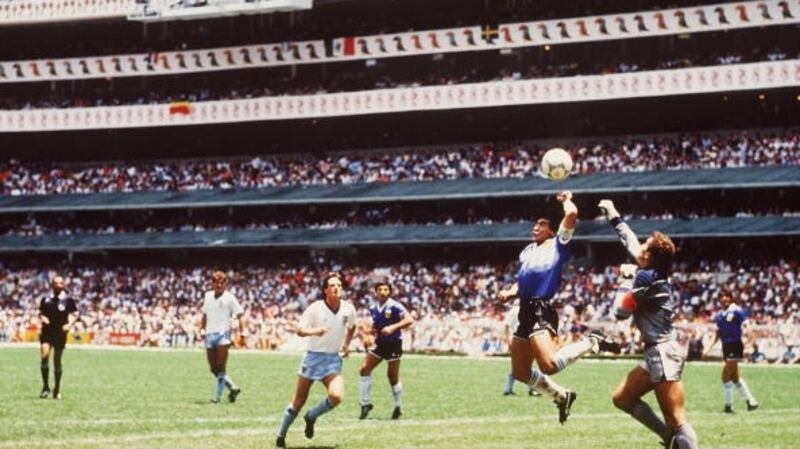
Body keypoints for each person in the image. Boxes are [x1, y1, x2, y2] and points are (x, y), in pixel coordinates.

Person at [498, 191, 620, 424]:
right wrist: (510, 292)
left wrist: (566, 201)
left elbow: (572, 213)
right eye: (535, 224)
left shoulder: (558, 244)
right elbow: (523, 280)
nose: (535, 227)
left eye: (542, 225)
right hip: (524, 309)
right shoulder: (527, 251)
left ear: (552, 231)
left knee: (549, 365)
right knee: (521, 373)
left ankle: (591, 342)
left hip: (540, 309)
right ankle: (562, 396)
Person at [598, 199, 699, 449]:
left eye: (646, 245)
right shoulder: (652, 272)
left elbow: (620, 312)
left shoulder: (645, 278)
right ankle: (671, 441)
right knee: (622, 398)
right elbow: (630, 241)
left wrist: (625, 279)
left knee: (676, 418)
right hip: (657, 351)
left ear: (650, 256)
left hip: (663, 352)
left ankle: (677, 439)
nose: (640, 246)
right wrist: (613, 214)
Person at [275, 272, 357, 449]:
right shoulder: (315, 308)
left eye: (339, 285)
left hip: (333, 359)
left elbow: (352, 326)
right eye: (332, 285)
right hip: (313, 357)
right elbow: (299, 330)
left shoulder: (348, 309)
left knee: (336, 396)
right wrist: (315, 331)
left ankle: (311, 416)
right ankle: (281, 436)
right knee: (299, 400)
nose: (336, 288)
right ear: (325, 290)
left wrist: (346, 345)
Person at [358, 280, 414, 420]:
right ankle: (365, 404)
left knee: (392, 377)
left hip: (394, 343)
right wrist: (369, 333)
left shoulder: (395, 306)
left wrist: (393, 327)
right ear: (375, 292)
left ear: (389, 292)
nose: (383, 292)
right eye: (380, 289)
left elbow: (409, 320)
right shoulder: (373, 308)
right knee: (364, 369)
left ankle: (398, 406)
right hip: (380, 343)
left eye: (385, 290)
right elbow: (377, 327)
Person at [704, 290, 758, 413]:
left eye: (726, 296)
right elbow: (717, 334)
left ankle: (729, 406)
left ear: (730, 298)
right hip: (726, 347)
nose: (723, 298)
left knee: (725, 376)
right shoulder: (719, 315)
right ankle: (751, 402)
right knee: (735, 377)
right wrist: (708, 347)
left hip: (735, 345)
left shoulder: (737, 311)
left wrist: (749, 345)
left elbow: (749, 328)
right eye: (721, 296)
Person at [200, 271, 245, 404]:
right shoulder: (207, 296)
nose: (219, 285)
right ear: (212, 283)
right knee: (213, 368)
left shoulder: (230, 298)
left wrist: (243, 334)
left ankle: (217, 398)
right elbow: (204, 314)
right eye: (216, 282)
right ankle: (233, 387)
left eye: (222, 282)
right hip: (209, 334)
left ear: (225, 284)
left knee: (221, 366)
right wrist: (202, 329)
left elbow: (240, 315)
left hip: (223, 335)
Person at [38, 276, 78, 400]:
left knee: (57, 361)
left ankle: (57, 388)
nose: (58, 285)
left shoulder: (68, 300)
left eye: (61, 283)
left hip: (60, 333)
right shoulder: (45, 299)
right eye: (56, 283)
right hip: (47, 332)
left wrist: (69, 324)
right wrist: (42, 317)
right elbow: (41, 312)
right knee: (44, 356)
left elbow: (75, 314)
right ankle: (45, 387)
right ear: (52, 285)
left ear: (63, 285)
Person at [502, 301, 539, 397]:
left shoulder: (513, 310)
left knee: (517, 365)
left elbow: (506, 326)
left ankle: (508, 389)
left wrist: (508, 340)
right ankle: (531, 389)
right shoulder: (529, 310)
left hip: (517, 339)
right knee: (527, 366)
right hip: (527, 339)